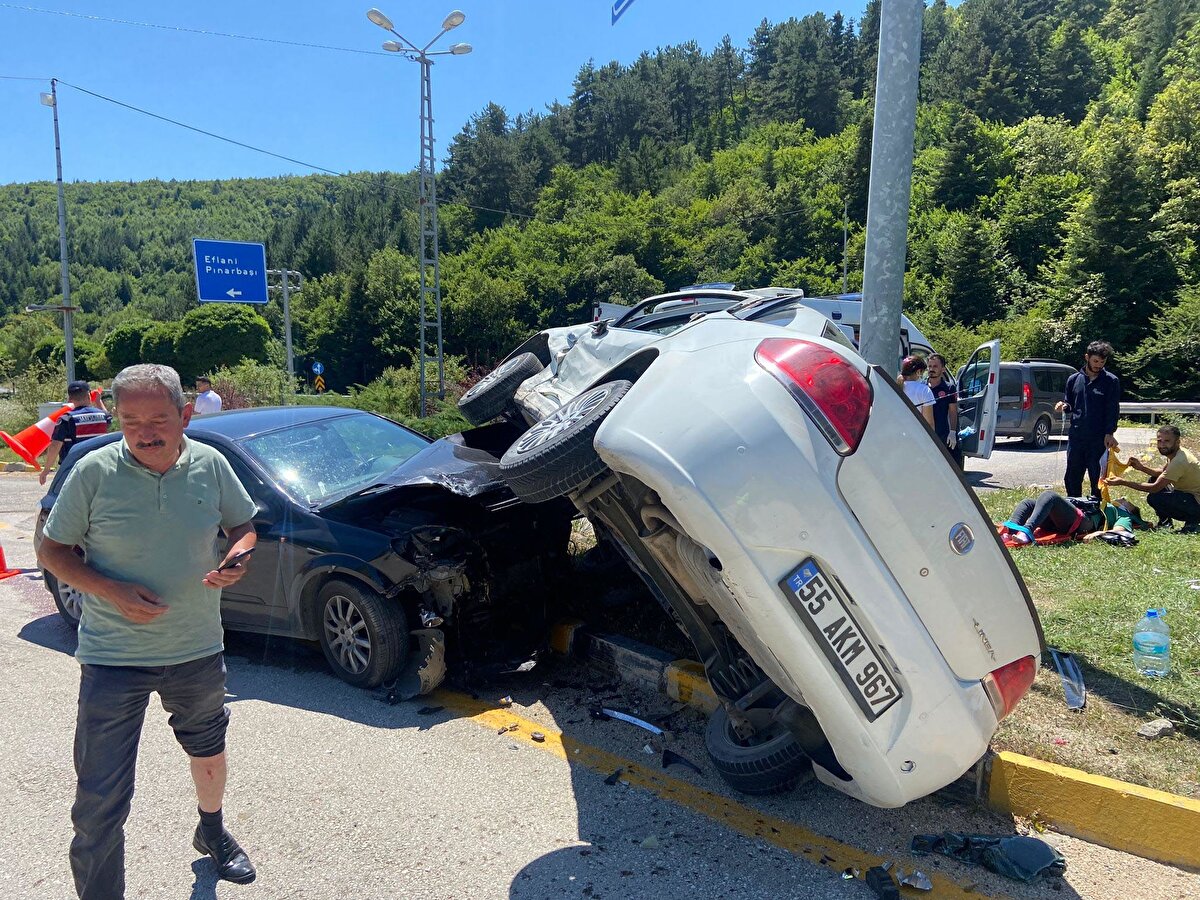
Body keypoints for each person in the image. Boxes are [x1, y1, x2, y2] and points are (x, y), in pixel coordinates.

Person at [36, 364, 259, 898]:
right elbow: (51, 550)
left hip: (197, 648)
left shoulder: (211, 463)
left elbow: (243, 526)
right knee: (99, 800)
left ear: (185, 414)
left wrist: (239, 556)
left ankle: (211, 832)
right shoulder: (92, 470)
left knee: (208, 748)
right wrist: (111, 591)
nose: (144, 432)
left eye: (157, 419)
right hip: (113, 657)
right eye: (130, 420)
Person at [1105, 424, 1200, 533]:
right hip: (1189, 497)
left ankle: (1193, 523)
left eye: (1167, 441)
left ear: (1177, 442)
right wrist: (1142, 468)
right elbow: (1163, 473)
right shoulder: (1177, 453)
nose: (1162, 445)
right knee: (1154, 479)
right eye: (1160, 441)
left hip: (1196, 504)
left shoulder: (1180, 460)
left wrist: (1123, 482)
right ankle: (1166, 523)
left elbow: (1154, 488)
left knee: (1155, 498)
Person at [1055, 340, 1120, 499]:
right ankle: (1074, 509)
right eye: (1095, 361)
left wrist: (1109, 432)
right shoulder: (1074, 379)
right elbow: (1069, 403)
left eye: (1102, 362)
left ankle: (1097, 512)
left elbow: (1113, 409)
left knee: (1097, 478)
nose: (1098, 365)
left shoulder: (1111, 381)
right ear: (1087, 357)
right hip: (1077, 436)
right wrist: (1063, 406)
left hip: (1099, 438)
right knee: (1072, 476)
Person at [39, 380, 112, 486]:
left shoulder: (67, 419)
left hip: (73, 468)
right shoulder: (103, 416)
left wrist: (46, 469)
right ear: (88, 395)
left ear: (69, 399)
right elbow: (108, 418)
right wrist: (98, 401)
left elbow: (55, 445)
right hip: (100, 466)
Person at [926, 353, 962, 467]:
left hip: (942, 433)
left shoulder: (949, 388)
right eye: (930, 366)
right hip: (924, 432)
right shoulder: (922, 386)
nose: (931, 369)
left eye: (935, 366)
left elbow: (952, 411)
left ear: (943, 369)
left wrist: (952, 432)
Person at [898, 355, 936, 429]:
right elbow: (929, 424)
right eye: (923, 373)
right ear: (918, 372)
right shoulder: (924, 390)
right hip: (916, 437)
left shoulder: (894, 385)